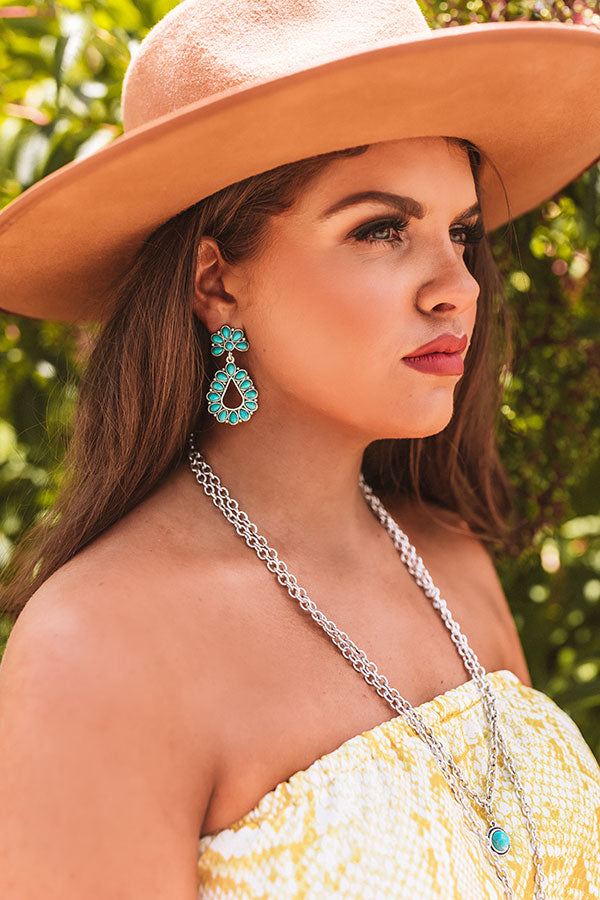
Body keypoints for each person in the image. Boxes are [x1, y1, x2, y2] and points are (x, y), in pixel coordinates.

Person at [0, 1, 599, 898]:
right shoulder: (97, 652)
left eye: (461, 231)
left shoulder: (448, 560)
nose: (458, 287)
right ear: (216, 281)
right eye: (381, 229)